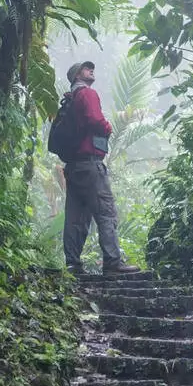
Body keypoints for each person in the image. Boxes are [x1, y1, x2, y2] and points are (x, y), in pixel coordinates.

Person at [58, 60, 132, 276]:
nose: (91, 70)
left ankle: (72, 264)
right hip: (90, 165)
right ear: (77, 76)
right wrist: (107, 127)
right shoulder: (87, 94)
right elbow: (95, 119)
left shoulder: (69, 101)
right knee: (106, 212)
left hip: (73, 167)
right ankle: (112, 262)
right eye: (86, 68)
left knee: (75, 217)